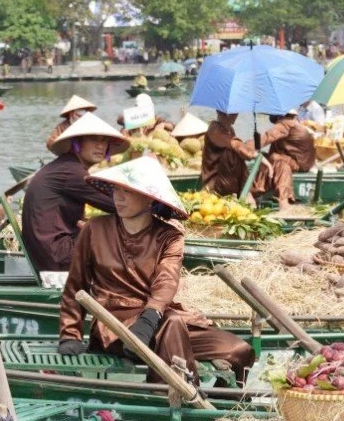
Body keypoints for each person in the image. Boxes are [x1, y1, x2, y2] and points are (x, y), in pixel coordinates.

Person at [56, 153, 255, 381]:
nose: (119, 197)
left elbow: (167, 280)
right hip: (114, 325)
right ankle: (176, 401)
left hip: (156, 319)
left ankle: (227, 404)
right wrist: (70, 333)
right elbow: (76, 285)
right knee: (173, 324)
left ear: (150, 198)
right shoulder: (95, 229)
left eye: (128, 191)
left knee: (239, 351)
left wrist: (148, 320)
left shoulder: (169, 236)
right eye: (117, 190)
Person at [22, 113, 126, 286]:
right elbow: (118, 205)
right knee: (124, 225)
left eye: (104, 141)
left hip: (51, 249)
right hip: (55, 255)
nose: (100, 146)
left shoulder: (69, 166)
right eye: (93, 139)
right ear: (78, 143)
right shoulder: (71, 171)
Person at [255, 108, 316, 206]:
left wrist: (244, 147)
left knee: (277, 161)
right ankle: (256, 191)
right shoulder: (295, 123)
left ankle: (278, 198)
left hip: (299, 164)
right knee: (267, 157)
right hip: (303, 162)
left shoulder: (285, 124)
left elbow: (266, 138)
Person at [198, 111, 255, 197]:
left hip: (228, 184)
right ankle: (246, 195)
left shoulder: (230, 130)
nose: (235, 115)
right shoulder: (214, 129)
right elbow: (236, 145)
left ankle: (246, 193)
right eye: (231, 113)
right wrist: (252, 153)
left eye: (235, 112)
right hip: (214, 185)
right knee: (232, 152)